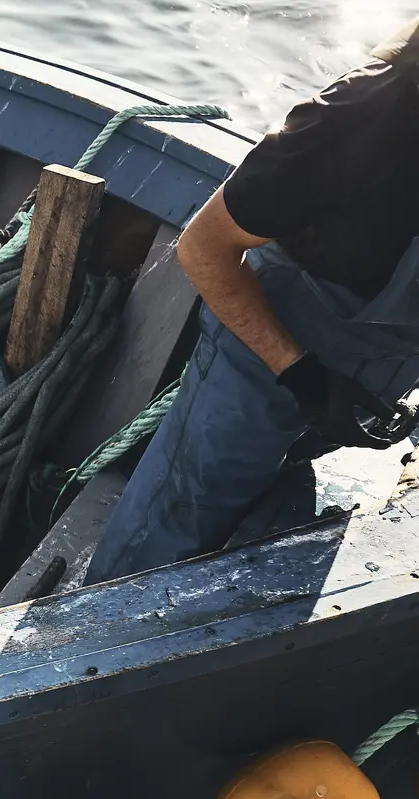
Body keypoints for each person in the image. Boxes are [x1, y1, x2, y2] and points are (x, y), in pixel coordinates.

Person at [87, 17, 419, 583]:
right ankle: (83, 649)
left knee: (274, 521)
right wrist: (306, 380)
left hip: (380, 379)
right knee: (178, 520)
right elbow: (203, 249)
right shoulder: (352, 119)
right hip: (260, 364)